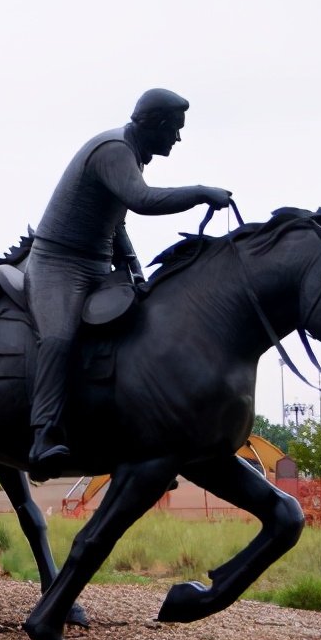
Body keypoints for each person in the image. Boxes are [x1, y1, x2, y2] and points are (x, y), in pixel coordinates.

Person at [25, 88, 232, 476]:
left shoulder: (131, 153)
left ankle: (139, 440)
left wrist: (136, 271)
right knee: (59, 338)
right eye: (175, 129)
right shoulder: (114, 150)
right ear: (154, 124)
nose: (178, 138)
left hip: (98, 265)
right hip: (58, 264)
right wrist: (200, 192)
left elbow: (116, 222)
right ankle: (44, 436)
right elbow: (142, 200)